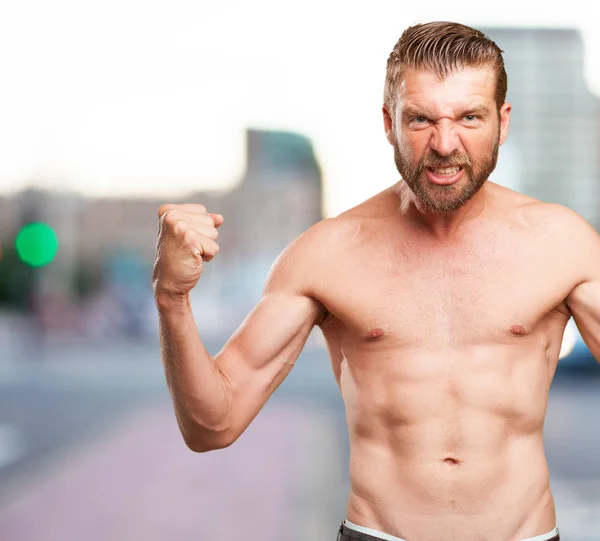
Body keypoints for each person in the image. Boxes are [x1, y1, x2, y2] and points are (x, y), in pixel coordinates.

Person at [151, 21, 600, 541]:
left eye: (469, 118)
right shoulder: (327, 253)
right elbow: (212, 425)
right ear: (388, 122)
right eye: (421, 119)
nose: (445, 143)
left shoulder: (562, 243)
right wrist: (171, 296)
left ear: (503, 121)